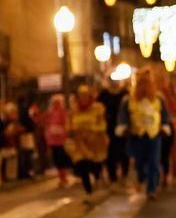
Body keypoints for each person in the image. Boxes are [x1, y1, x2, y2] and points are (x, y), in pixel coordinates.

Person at [117, 68, 170, 199]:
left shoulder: (158, 99)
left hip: (154, 135)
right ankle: (142, 177)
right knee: (139, 163)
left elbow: (164, 115)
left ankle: (151, 188)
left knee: (153, 162)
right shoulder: (128, 100)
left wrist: (164, 127)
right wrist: (123, 128)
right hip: (137, 135)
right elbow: (123, 116)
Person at [65, 85, 109, 201]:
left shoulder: (98, 108)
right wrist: (73, 132)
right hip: (79, 143)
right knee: (82, 165)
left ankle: (97, 177)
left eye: (85, 96)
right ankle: (88, 191)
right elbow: (68, 126)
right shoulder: (73, 111)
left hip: (94, 141)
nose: (83, 99)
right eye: (81, 96)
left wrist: (93, 131)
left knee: (94, 164)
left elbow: (102, 124)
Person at [99, 79, 129, 186]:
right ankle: (113, 178)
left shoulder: (125, 94)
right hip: (108, 128)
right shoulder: (103, 95)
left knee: (124, 152)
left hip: (123, 128)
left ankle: (124, 173)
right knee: (110, 153)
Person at [39, 94, 71, 187]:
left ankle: (64, 177)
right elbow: (43, 121)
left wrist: (62, 131)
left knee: (62, 158)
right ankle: (61, 177)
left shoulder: (63, 112)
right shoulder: (49, 112)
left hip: (61, 139)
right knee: (56, 159)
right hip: (52, 140)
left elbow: (66, 123)